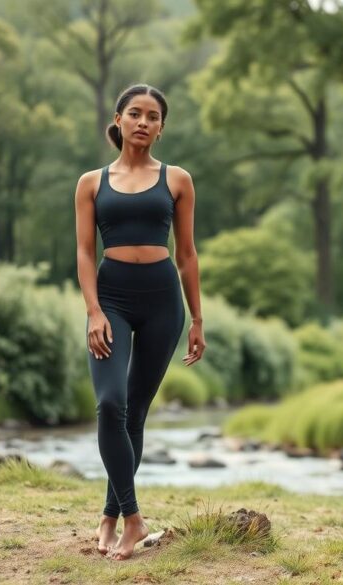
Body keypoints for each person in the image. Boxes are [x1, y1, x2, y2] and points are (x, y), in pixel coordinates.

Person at [73, 83, 206, 560]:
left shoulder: (178, 180)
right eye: (135, 113)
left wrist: (197, 319)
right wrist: (93, 310)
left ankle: (111, 518)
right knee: (111, 404)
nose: (144, 122)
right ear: (119, 120)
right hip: (110, 297)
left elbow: (187, 255)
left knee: (136, 411)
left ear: (161, 127)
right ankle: (133, 518)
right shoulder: (92, 182)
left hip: (163, 302)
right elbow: (85, 252)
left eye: (153, 116)